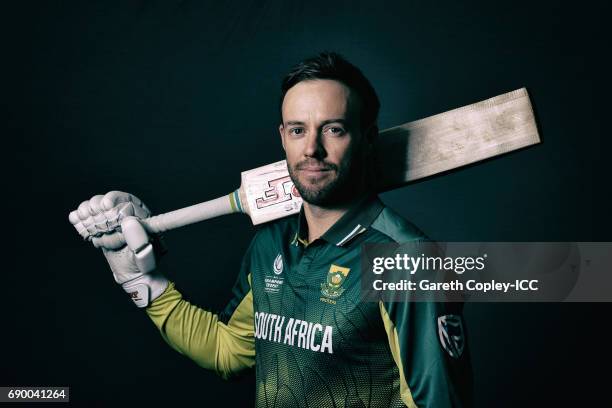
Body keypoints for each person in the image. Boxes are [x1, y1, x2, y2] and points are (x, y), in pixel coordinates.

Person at [70, 52, 472, 407]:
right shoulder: (270, 244)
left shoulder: (407, 260)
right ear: (283, 138)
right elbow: (228, 351)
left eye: (334, 129)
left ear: (367, 139)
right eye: (298, 130)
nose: (311, 148)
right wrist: (143, 280)